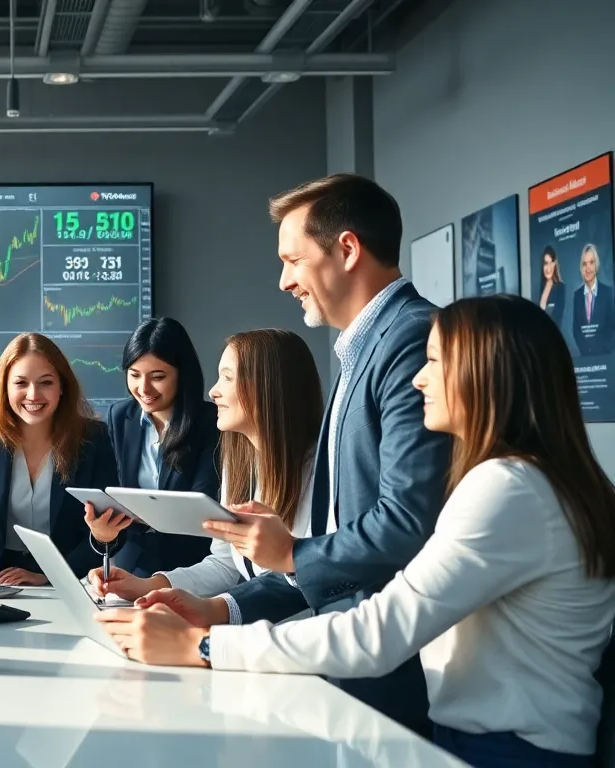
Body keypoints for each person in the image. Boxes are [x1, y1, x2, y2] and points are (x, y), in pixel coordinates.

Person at [96, 295, 615, 768]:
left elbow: (379, 632)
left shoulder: (508, 488)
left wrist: (206, 646)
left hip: (507, 751)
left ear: (487, 373)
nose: (417, 380)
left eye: (433, 362)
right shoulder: (532, 480)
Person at [130, 174, 451, 735]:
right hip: (351, 661)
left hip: (387, 666)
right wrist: (220, 606)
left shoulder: (409, 339)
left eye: (293, 261)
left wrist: (293, 553)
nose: (284, 281)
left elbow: (406, 523)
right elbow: (338, 541)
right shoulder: (362, 349)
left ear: (346, 250)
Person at [88, 329, 323, 606]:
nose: (214, 391)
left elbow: (304, 582)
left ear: (268, 386)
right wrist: (147, 585)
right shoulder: (240, 465)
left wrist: (216, 611)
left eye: (227, 377)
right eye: (135, 374)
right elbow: (225, 565)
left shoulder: (320, 474)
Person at [0, 333, 120, 586]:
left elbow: (107, 530)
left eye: (46, 382)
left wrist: (48, 576)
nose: (33, 395)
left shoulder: (93, 439)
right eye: (21, 383)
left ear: (62, 387)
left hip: (66, 575)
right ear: (5, 388)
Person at [84, 318, 219, 577]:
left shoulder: (209, 421)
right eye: (134, 375)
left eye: (157, 377)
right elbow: (110, 491)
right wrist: (103, 531)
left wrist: (135, 513)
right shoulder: (120, 416)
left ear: (182, 374)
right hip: (130, 558)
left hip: (192, 564)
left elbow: (202, 505)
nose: (143, 389)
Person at [571, 243, 615, 356]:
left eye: (591, 262)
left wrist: (603, 348)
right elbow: (576, 328)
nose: (588, 268)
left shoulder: (607, 292)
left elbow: (611, 326)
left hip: (604, 357)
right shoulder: (577, 295)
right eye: (584, 264)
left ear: (597, 265)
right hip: (585, 357)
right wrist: (585, 349)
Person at [537, 245, 566, 324]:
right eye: (546, 263)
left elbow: (558, 318)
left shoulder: (560, 287)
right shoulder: (541, 288)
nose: (548, 268)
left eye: (551, 263)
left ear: (554, 265)